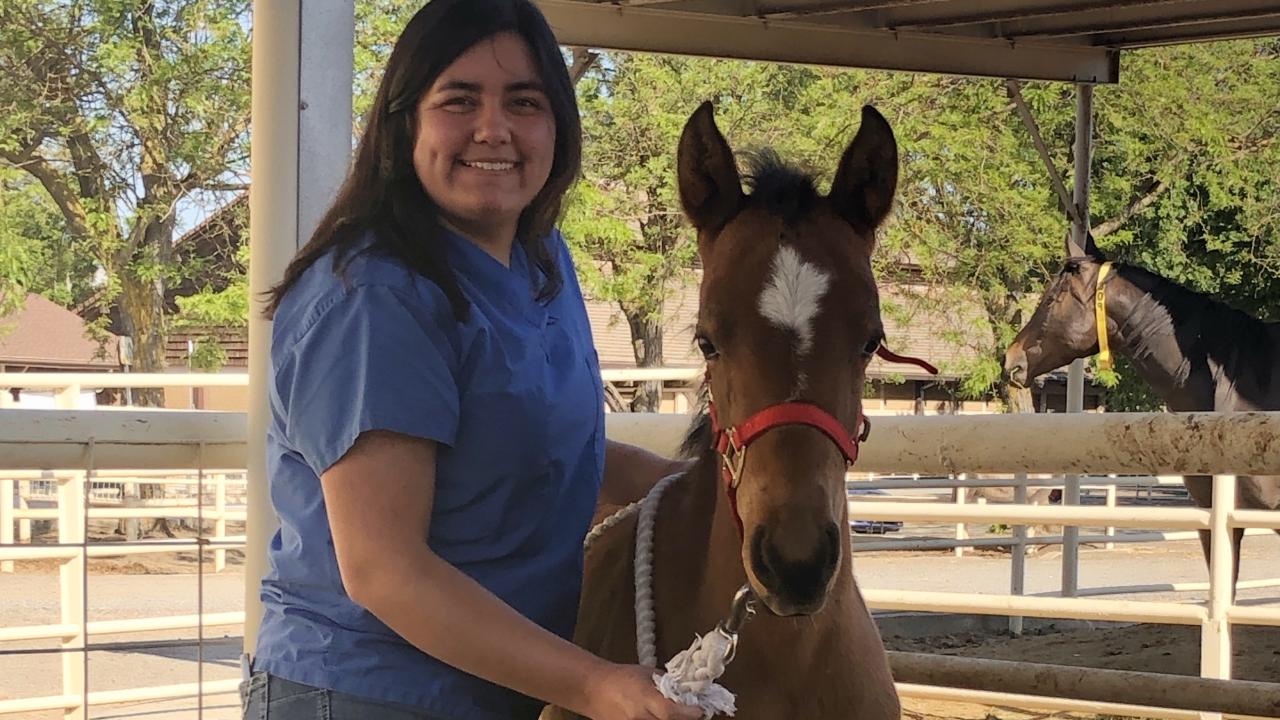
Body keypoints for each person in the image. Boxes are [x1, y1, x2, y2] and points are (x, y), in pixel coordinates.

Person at [243, 2, 702, 719]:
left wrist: (716, 495)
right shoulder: (374, 294)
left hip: (511, 690)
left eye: (525, 102)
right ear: (404, 124)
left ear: (558, 128)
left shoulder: (543, 261)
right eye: (459, 100)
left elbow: (549, 450)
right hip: (369, 693)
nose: (495, 129)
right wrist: (592, 683)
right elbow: (384, 570)